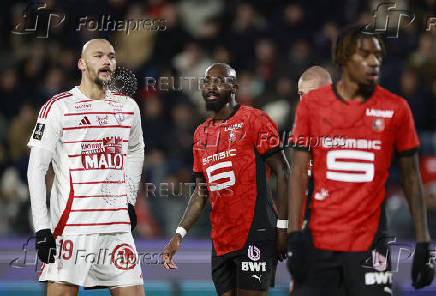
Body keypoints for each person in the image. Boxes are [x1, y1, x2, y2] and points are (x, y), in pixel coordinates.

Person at [287, 26, 434, 296]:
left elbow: (412, 177)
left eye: (377, 54)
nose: (373, 61)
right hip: (320, 242)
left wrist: (424, 243)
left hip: (370, 243)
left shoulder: (396, 108)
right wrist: (294, 236)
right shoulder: (310, 109)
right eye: (363, 54)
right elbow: (296, 176)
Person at [27, 39, 145, 296]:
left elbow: (136, 150)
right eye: (99, 55)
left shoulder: (127, 108)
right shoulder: (58, 107)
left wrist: (129, 199)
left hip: (116, 228)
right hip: (73, 230)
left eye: (112, 56)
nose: (107, 61)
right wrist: (42, 228)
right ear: (81, 64)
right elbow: (36, 168)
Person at [162, 63, 290, 296]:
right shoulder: (201, 134)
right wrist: (178, 235)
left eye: (219, 81)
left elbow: (284, 171)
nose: (211, 86)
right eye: (207, 81)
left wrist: (283, 227)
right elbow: (201, 193)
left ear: (234, 87)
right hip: (221, 240)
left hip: (256, 232)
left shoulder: (254, 120)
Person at [287, 66, 332, 294]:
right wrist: (295, 239)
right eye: (300, 94)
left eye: (309, 94)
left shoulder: (347, 129)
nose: (303, 101)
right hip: (308, 236)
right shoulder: (300, 133)